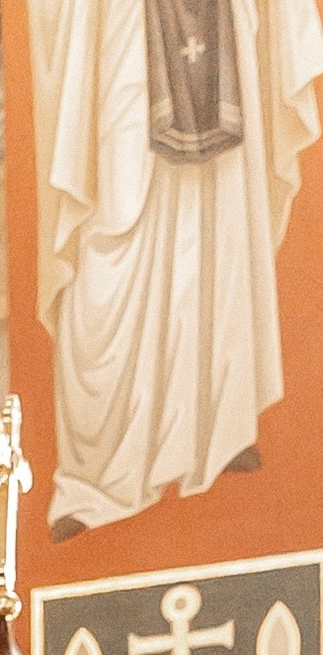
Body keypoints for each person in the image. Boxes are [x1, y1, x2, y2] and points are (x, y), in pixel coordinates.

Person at [33, 0, 322, 532]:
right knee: (115, 221)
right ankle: (96, 474)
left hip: (220, 24)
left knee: (217, 219)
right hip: (121, 26)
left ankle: (216, 427)